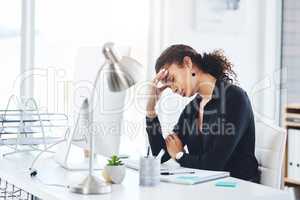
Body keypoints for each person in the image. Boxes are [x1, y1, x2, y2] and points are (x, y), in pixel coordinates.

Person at [146, 44, 260, 182]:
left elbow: (214, 164)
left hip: (239, 189)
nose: (173, 89)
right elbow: (161, 154)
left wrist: (180, 155)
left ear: (188, 63)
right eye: (168, 87)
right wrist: (151, 110)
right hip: (207, 187)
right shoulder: (193, 108)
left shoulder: (234, 98)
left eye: (172, 80)